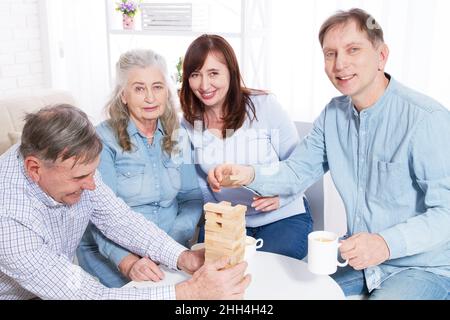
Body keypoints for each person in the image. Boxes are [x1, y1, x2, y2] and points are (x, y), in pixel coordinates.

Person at [208, 8, 450, 300]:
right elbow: (296, 171)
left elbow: (446, 213)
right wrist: (248, 173)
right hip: (358, 263)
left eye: (353, 50)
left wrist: (384, 244)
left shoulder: (426, 119)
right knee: (284, 295)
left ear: (382, 55)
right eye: (330, 54)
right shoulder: (333, 116)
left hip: (423, 267)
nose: (340, 64)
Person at [0, 104, 250, 300]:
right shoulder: (8, 218)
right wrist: (188, 293)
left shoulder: (70, 162)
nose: (91, 185)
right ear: (34, 169)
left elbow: (118, 219)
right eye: (80, 177)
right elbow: (89, 296)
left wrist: (183, 257)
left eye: (92, 172)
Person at [76, 49, 203, 288]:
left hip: (168, 249)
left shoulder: (179, 135)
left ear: (167, 92)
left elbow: (191, 197)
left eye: (157, 87)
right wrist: (128, 261)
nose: (150, 98)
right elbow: (98, 216)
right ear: (123, 95)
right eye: (139, 88)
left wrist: (172, 242)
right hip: (114, 252)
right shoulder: (101, 140)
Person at [179, 34, 313, 260]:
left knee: (263, 276)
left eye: (213, 73)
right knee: (214, 275)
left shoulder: (265, 106)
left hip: (282, 217)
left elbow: (300, 166)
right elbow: (200, 183)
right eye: (195, 75)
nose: (204, 85)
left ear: (231, 72)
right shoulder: (189, 122)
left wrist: (282, 199)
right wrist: (218, 214)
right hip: (227, 221)